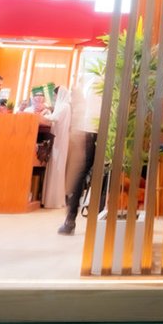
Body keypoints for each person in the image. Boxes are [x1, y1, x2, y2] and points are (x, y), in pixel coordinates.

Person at [56, 63, 104, 236]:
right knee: (99, 174)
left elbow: (83, 109)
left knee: (83, 174)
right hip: (96, 130)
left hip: (90, 130)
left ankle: (71, 220)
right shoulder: (100, 81)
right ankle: (93, 219)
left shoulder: (91, 81)